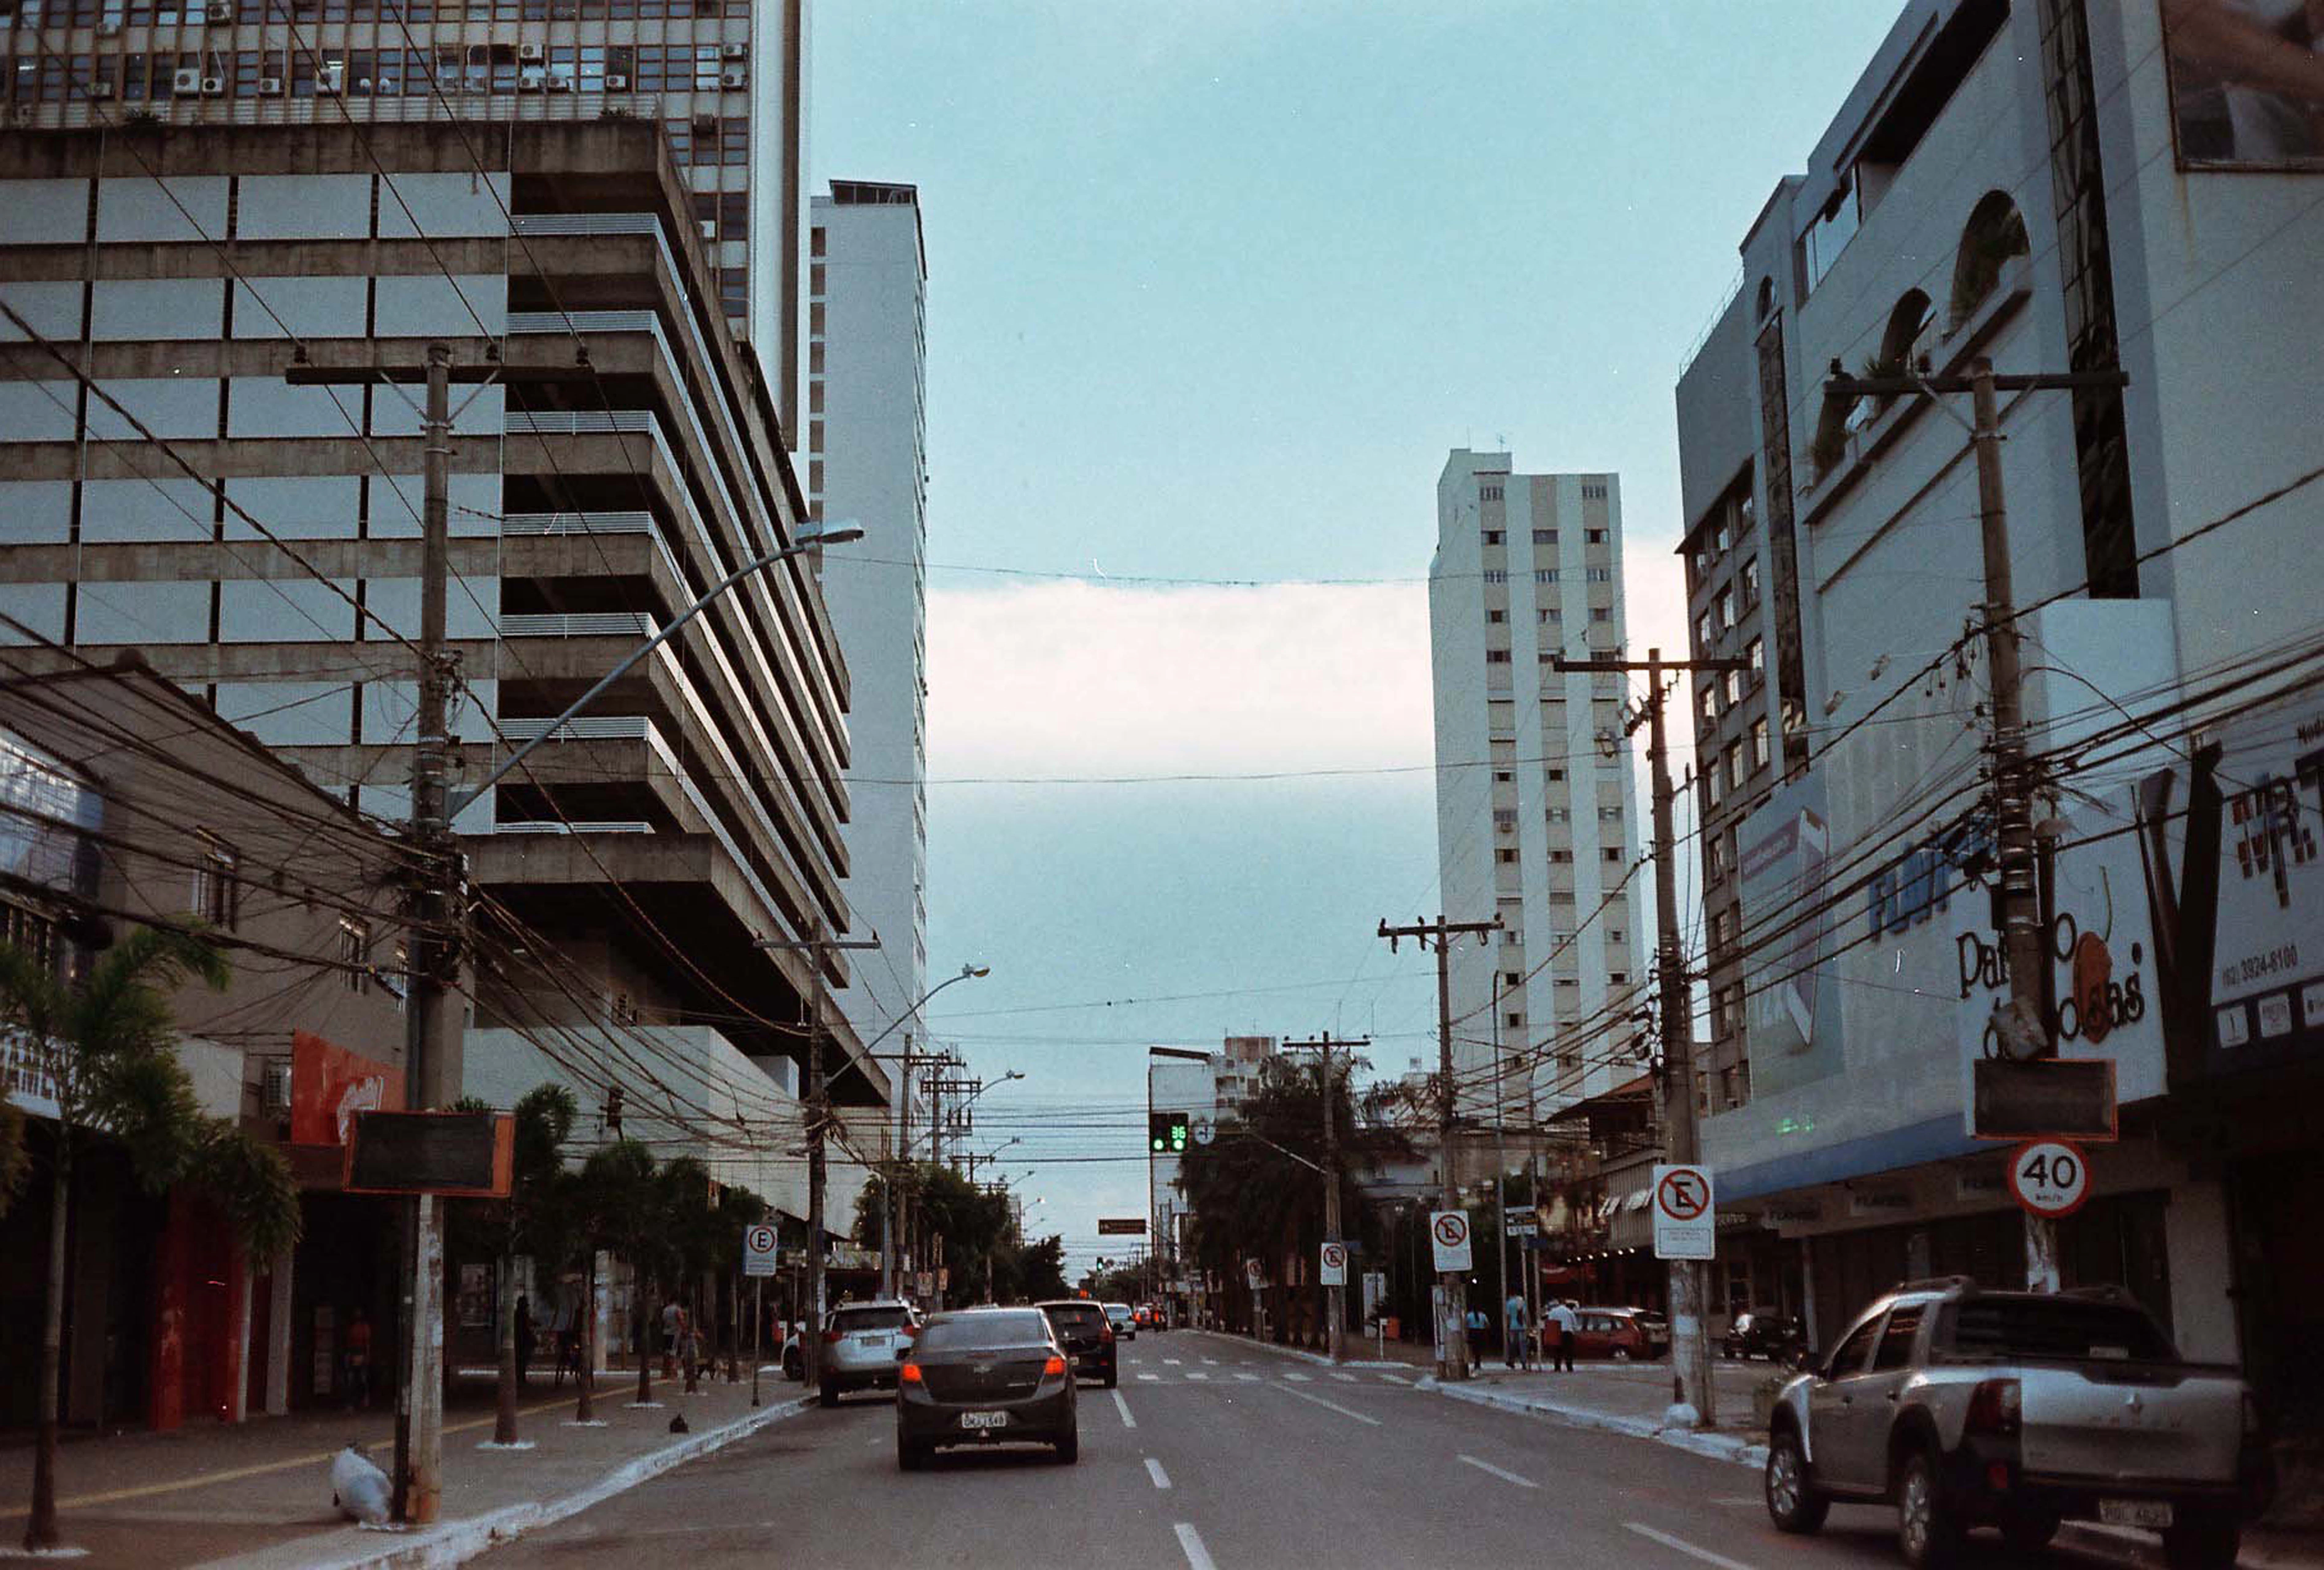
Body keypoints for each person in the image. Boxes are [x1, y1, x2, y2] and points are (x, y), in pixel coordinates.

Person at [344, 1306, 374, 1410]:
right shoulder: (352, 1327)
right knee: (351, 1379)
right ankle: (352, 1402)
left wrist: (367, 1355)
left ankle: (364, 1400)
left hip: (361, 1353)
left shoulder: (364, 1327)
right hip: (353, 1353)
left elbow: (367, 1343)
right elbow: (349, 1343)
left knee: (363, 1379)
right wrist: (349, 1355)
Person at [1545, 1298, 1580, 1372]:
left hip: (1557, 1332)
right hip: (1568, 1332)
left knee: (1557, 1351)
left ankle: (1557, 1367)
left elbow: (1551, 1323)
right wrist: (1575, 1331)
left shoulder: (1553, 1312)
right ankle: (1569, 1367)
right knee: (1569, 1351)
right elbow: (1575, 1324)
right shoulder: (1569, 1312)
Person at [1503, 1289, 1532, 1369]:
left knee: (1513, 1345)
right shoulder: (1523, 1302)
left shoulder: (1509, 1303)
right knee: (1523, 1345)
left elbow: (1508, 1316)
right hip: (1522, 1326)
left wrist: (1508, 1327)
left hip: (1513, 1326)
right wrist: (1529, 1326)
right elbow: (1526, 1315)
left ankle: (1512, 1361)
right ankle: (1524, 1362)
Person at [514, 1292, 536, 1388]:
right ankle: (521, 1378)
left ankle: (521, 1377)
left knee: (520, 1360)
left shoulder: (517, 1314)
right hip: (523, 1340)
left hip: (519, 1340)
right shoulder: (523, 1315)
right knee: (522, 1360)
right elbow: (528, 1325)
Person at [660, 1297, 684, 1378]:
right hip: (675, 1333)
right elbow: (681, 1319)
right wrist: (684, 1328)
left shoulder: (666, 1310)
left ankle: (664, 1372)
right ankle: (673, 1372)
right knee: (673, 1353)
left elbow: (663, 1320)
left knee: (666, 1352)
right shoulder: (677, 1309)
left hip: (666, 1332)